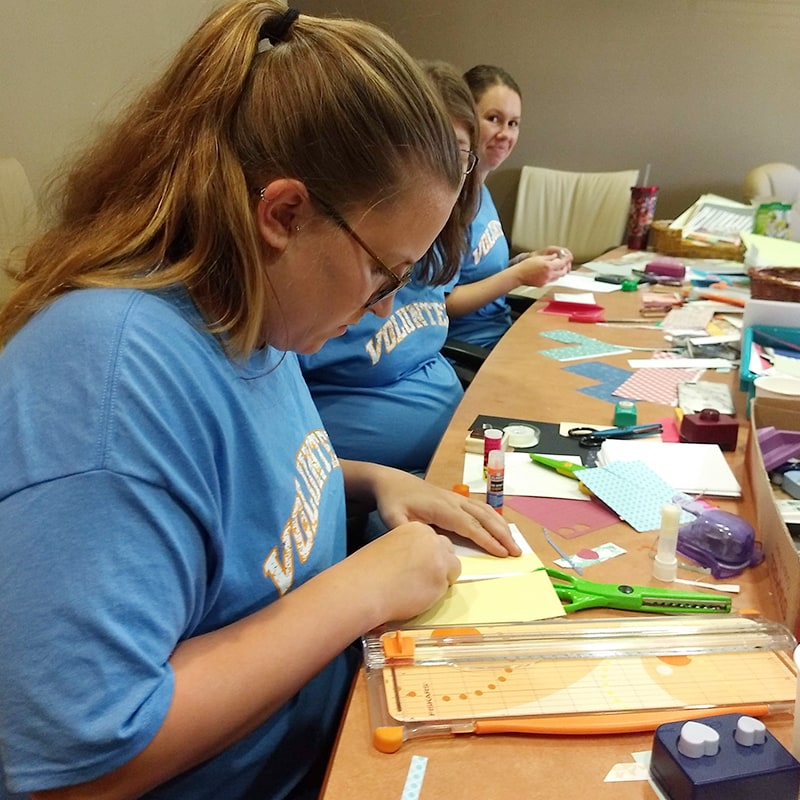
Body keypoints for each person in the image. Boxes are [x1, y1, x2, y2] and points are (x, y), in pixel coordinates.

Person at [0, 6, 519, 800]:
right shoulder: (105, 383)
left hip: (339, 736)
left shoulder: (255, 315)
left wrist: (374, 479)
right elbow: (80, 768)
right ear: (283, 215)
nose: (386, 308)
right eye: (385, 272)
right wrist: (361, 589)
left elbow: (233, 482)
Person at [299, 61, 480, 477]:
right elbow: (285, 455)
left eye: (459, 157)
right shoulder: (305, 307)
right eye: (384, 272)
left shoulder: (436, 243)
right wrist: (378, 482)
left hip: (439, 461)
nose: (385, 306)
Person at [444, 64, 574, 350]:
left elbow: (480, 269)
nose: (506, 134)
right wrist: (517, 276)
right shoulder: (448, 204)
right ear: (466, 120)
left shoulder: (482, 193)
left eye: (513, 123)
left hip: (504, 336)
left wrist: (524, 262)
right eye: (494, 119)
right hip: (471, 350)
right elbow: (442, 304)